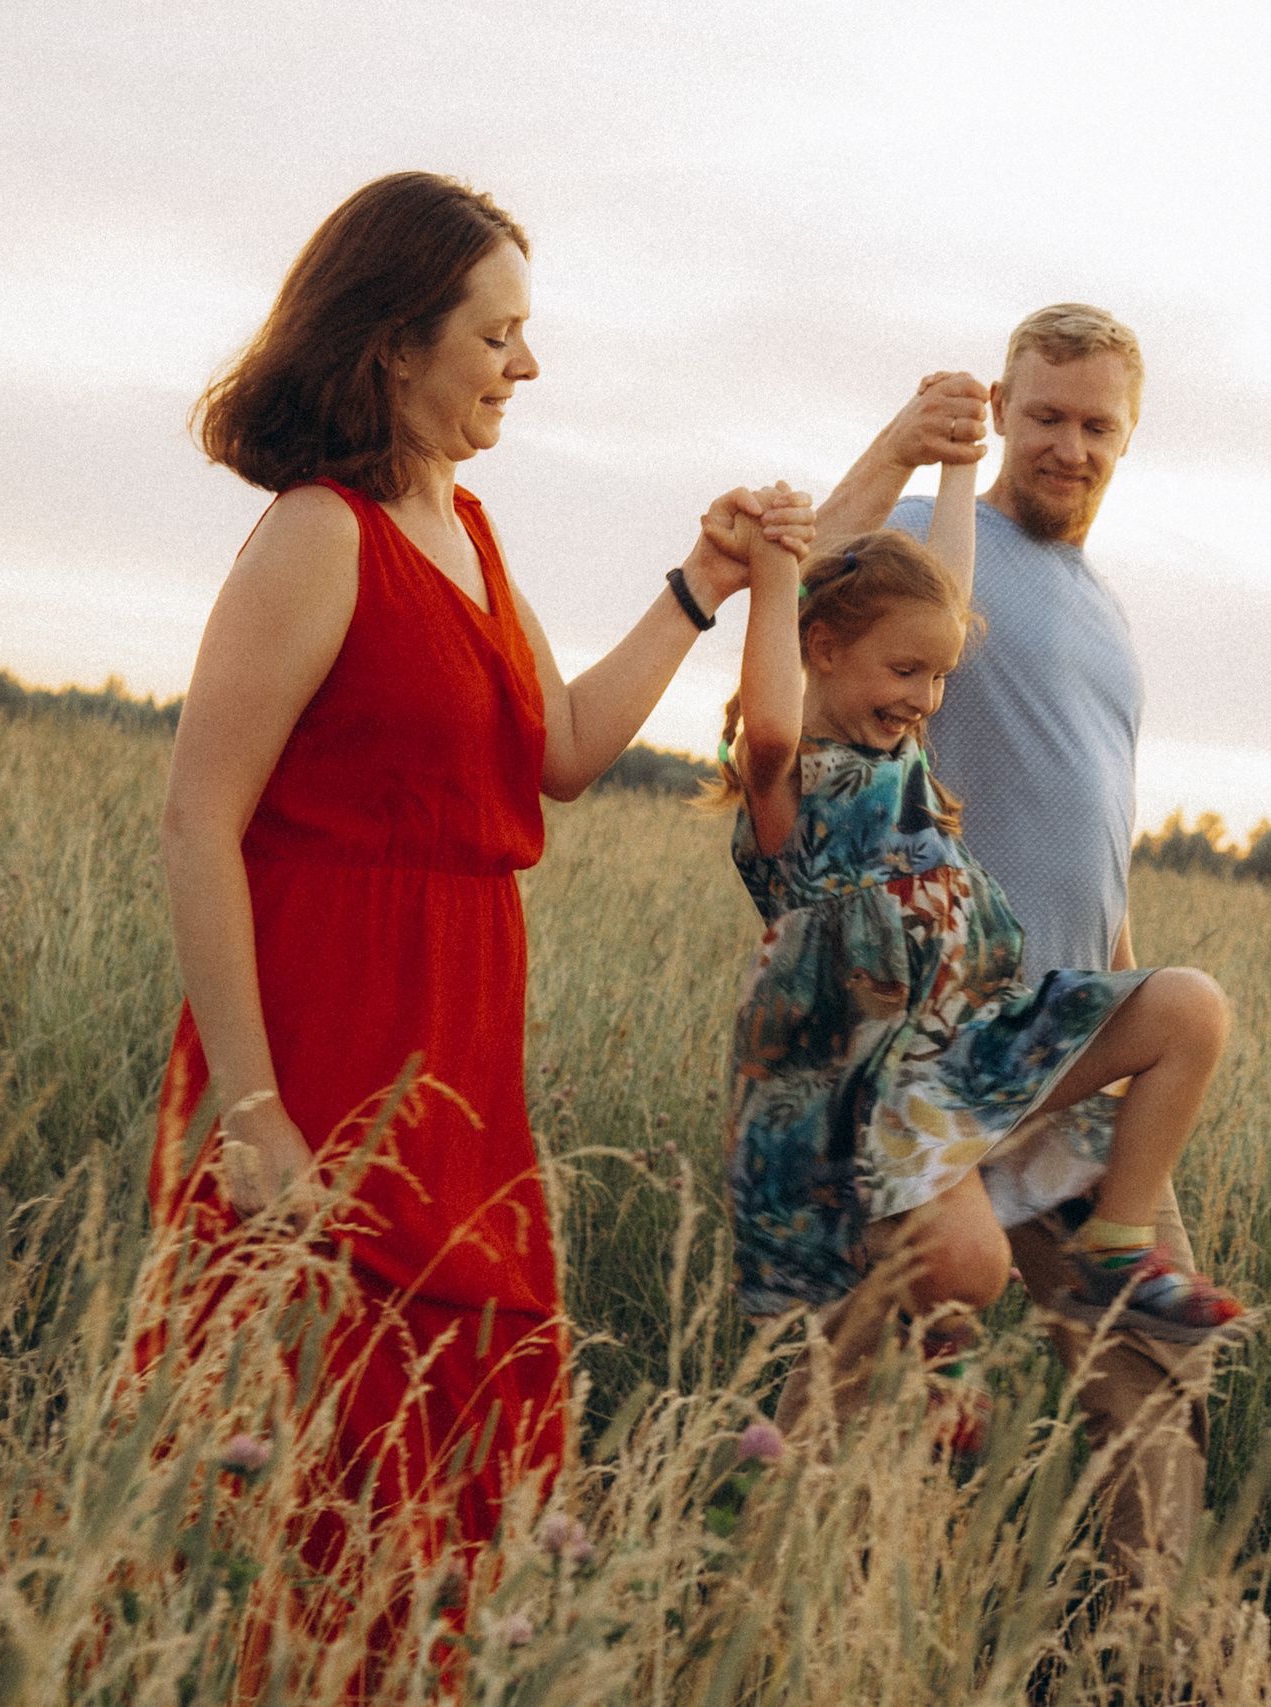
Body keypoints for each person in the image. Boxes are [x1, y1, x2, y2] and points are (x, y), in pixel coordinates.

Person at [139, 170, 812, 1680]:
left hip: (458, 1048)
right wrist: (250, 1111)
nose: (527, 363)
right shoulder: (320, 535)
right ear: (395, 342)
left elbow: (558, 750)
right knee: (300, 1452)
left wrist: (702, 583)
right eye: (498, 334)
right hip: (315, 1038)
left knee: (460, 1446)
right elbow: (198, 821)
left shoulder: (471, 528)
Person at [809, 303, 1228, 1596]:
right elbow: (795, 591)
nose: (1070, 445)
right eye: (1044, 415)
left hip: (1067, 1050)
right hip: (933, 1043)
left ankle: (1147, 1658)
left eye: (1098, 425)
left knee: (1158, 1378)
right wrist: (897, 443)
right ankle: (823, 1630)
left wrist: (1122, 1012)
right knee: (861, 1384)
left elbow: (1091, 839)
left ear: (1128, 437)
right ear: (1001, 409)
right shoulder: (936, 542)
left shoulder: (1108, 616)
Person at [711, 463, 1246, 1408]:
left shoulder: (905, 754)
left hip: (974, 1043)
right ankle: (937, 1362)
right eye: (905, 672)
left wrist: (961, 465)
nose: (926, 696)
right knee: (975, 1265)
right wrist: (778, 565)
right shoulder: (789, 784)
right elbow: (768, 723)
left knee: (1190, 1009)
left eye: (939, 675)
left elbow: (948, 598)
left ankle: (1118, 1248)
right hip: (874, 1090)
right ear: (823, 649)